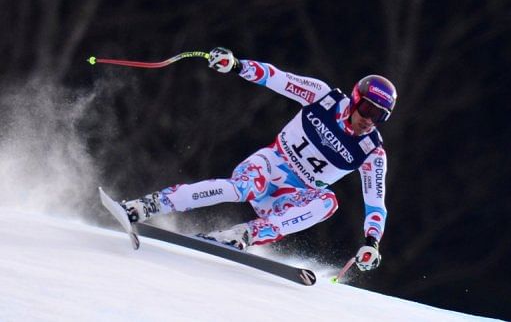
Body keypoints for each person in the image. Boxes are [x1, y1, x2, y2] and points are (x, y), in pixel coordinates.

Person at [121, 47, 397, 272]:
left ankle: (242, 235)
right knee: (240, 188)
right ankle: (147, 205)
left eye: (379, 115)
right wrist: (236, 65)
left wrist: (372, 243)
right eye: (366, 109)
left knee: (327, 202)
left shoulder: (371, 152)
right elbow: (277, 78)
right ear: (356, 98)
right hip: (270, 166)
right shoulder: (322, 97)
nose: (369, 119)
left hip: (292, 195)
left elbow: (376, 203)